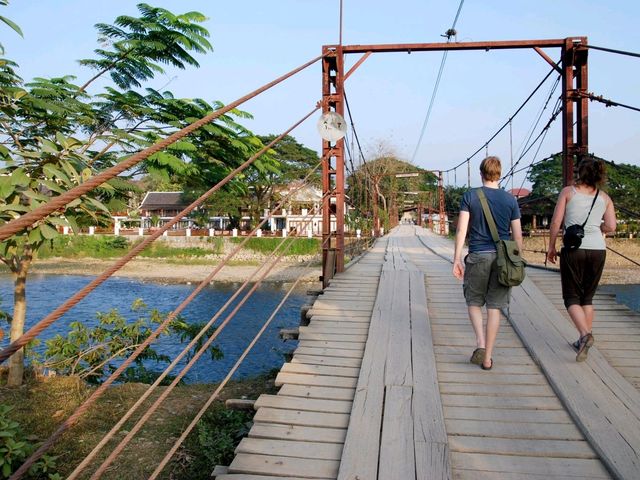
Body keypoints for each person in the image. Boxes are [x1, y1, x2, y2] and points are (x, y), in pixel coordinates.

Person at [453, 156, 523, 370]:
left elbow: (461, 229)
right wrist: (516, 260)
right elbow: (517, 236)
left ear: (481, 173)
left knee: (474, 302)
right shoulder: (510, 200)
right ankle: (488, 358)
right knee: (495, 307)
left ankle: (480, 343)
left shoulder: (470, 196)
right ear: (499, 173)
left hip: (477, 256)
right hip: (503, 259)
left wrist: (456, 258)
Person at [546, 157, 616, 361]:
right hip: (598, 250)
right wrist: (597, 228)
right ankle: (582, 338)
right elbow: (611, 226)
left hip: (573, 250)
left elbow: (557, 221)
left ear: (579, 173)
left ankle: (585, 335)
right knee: (587, 297)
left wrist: (551, 247)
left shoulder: (568, 192)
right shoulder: (605, 197)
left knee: (571, 297)